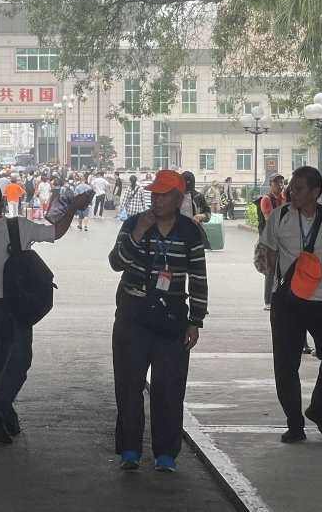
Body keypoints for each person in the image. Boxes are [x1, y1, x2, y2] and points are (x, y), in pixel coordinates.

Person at [0, 178, 89, 445]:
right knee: (20, 360)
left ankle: (8, 420)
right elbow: (55, 232)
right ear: (1, 200)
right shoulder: (18, 226)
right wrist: (73, 208)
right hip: (16, 304)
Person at [108, 170, 207, 472]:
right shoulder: (132, 224)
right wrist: (139, 231)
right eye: (154, 194)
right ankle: (129, 450)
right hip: (132, 316)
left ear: (179, 198)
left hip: (172, 319)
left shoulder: (190, 232)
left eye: (164, 194)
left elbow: (199, 279)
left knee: (169, 388)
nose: (157, 199)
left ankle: (166, 453)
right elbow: (116, 263)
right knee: (128, 385)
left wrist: (195, 321)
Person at [254, 166, 322, 444]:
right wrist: (268, 263)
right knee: (286, 363)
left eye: (297, 188)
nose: (290, 192)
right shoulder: (280, 216)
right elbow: (264, 252)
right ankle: (294, 423)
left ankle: (319, 410)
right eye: (290, 187)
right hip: (287, 300)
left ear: (315, 192)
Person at [258, 175, 289, 311]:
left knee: (284, 269)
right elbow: (270, 218)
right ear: (271, 184)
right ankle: (268, 301)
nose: (280, 185)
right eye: (277, 183)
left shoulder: (284, 198)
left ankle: (281, 297)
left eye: (282, 183)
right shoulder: (266, 199)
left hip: (284, 239)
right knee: (270, 270)